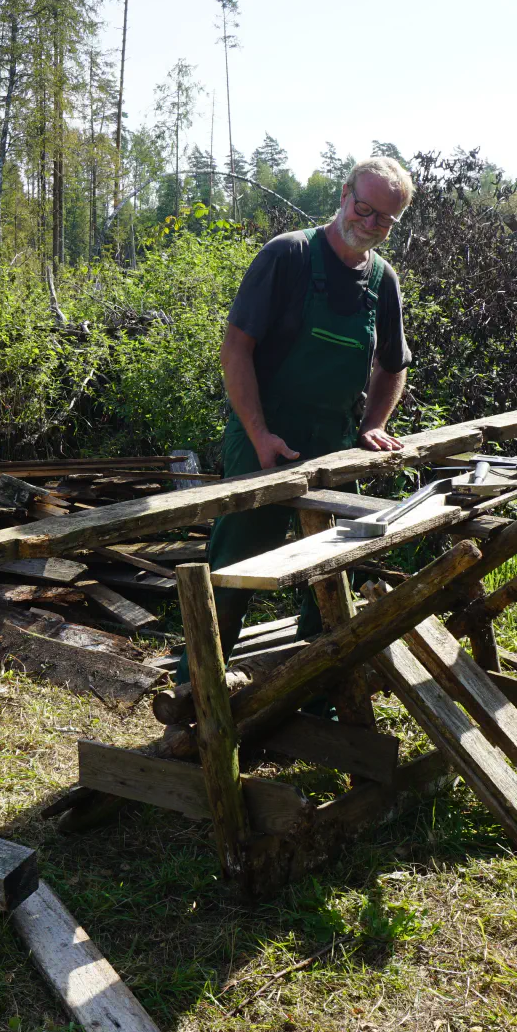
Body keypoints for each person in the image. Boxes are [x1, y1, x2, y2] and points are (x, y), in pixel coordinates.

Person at [202, 155, 415, 662]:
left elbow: (393, 364)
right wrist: (258, 436)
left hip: (336, 444)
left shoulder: (382, 281)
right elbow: (236, 350)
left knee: (334, 566)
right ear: (344, 195)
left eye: (385, 218)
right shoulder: (289, 256)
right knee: (237, 567)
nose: (370, 223)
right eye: (364, 208)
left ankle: (311, 688)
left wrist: (373, 425)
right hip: (266, 436)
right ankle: (197, 693)